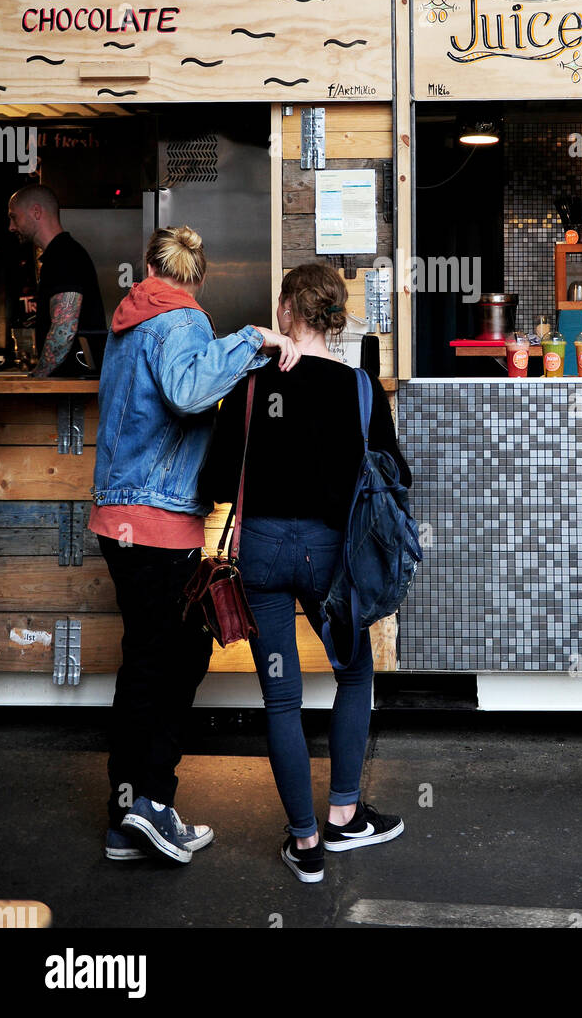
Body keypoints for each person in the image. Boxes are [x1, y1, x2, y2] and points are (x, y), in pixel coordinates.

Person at [90, 224, 300, 866]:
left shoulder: (129, 320)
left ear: (147, 268)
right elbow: (186, 393)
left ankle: (132, 815)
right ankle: (147, 803)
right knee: (172, 661)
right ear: (199, 278)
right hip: (155, 523)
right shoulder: (181, 321)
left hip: (118, 520)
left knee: (151, 661)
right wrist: (255, 337)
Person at [199, 262, 412, 884]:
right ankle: (345, 816)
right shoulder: (360, 389)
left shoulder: (247, 384)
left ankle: (306, 843)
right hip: (330, 558)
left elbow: (214, 483)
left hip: (261, 554)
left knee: (281, 698)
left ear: (289, 310)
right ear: (334, 317)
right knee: (353, 673)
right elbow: (395, 476)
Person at [7, 183, 106, 378]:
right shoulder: (60, 255)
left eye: (13, 217)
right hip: (70, 385)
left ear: (36, 212)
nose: (11, 227)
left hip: (72, 389)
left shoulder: (64, 256)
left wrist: (38, 377)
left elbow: (64, 330)